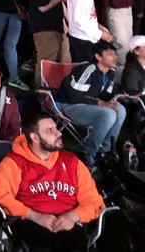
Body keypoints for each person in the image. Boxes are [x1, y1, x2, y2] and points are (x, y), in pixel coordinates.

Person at [0, 112, 105, 252]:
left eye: (56, 128)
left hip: (69, 224)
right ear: (35, 137)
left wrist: (73, 216)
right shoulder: (14, 163)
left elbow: (94, 202)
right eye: (50, 130)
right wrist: (33, 215)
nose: (58, 133)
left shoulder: (72, 162)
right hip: (31, 223)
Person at [54, 39, 127, 167]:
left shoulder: (111, 72)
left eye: (115, 54)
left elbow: (104, 95)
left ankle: (105, 150)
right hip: (69, 105)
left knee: (120, 109)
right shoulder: (89, 69)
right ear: (98, 56)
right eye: (110, 54)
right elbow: (72, 96)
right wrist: (99, 103)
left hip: (88, 105)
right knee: (108, 114)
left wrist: (119, 96)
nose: (115, 57)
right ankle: (88, 154)